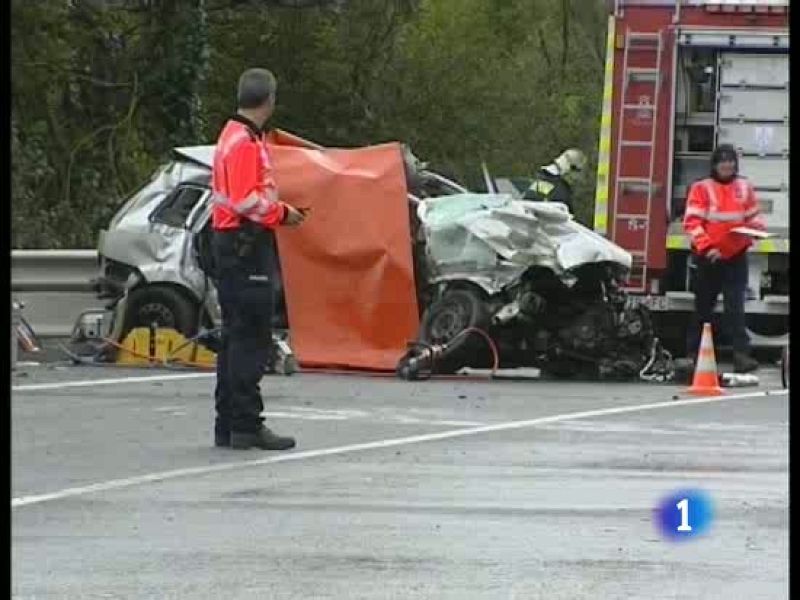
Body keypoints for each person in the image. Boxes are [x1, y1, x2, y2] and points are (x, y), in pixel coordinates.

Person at [211, 68, 306, 450]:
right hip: (246, 246)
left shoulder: (229, 136)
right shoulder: (246, 142)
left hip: (230, 244)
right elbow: (248, 202)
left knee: (234, 338)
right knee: (251, 337)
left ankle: (229, 423)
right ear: (269, 99)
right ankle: (247, 424)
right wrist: (284, 213)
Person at [682, 144, 762, 374]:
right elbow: (693, 223)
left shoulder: (745, 187)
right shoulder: (701, 188)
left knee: (735, 308)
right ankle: (693, 354)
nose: (727, 165)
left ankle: (741, 356)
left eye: (731, 161)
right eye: (722, 161)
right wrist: (708, 248)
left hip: (736, 257)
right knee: (703, 309)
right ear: (715, 164)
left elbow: (753, 219)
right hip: (709, 258)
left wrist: (754, 233)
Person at [522, 148, 587, 214]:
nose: (577, 177)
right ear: (570, 167)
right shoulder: (561, 189)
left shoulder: (540, 179)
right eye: (578, 171)